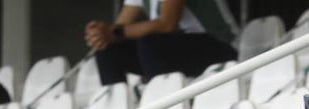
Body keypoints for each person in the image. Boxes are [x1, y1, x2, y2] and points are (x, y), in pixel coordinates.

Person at [85, 0, 238, 86]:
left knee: (150, 43)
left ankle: (164, 105)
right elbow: (117, 30)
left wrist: (113, 32)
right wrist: (100, 35)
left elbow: (166, 24)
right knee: (107, 48)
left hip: (220, 46)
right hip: (177, 51)